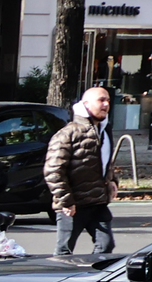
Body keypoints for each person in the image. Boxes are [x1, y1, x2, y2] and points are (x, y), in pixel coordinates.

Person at [44, 84, 116, 258]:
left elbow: (105, 161)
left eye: (108, 100)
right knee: (64, 251)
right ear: (86, 104)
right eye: (101, 100)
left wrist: (112, 181)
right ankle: (58, 281)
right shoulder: (68, 133)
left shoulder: (104, 131)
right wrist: (66, 200)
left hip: (97, 202)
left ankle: (91, 278)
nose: (106, 104)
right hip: (73, 205)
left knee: (106, 245)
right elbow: (53, 170)